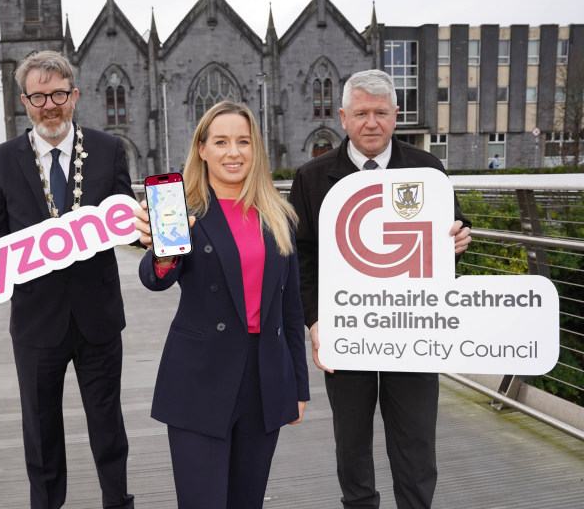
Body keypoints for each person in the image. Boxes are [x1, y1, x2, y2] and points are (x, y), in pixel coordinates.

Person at [0, 51, 135, 509]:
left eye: (59, 94)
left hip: (98, 317)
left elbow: (127, 222)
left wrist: (163, 234)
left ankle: (117, 503)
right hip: (35, 321)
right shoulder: (2, 160)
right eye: (39, 96)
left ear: (74, 96)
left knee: (108, 426)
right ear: (24, 101)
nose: (50, 105)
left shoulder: (109, 150)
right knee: (41, 431)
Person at [289, 69, 472, 509]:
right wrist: (314, 320)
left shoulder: (428, 168)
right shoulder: (312, 178)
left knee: (415, 439)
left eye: (381, 113)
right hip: (346, 328)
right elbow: (301, 258)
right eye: (361, 113)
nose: (371, 123)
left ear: (395, 116)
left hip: (411, 328)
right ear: (343, 118)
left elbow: (452, 235)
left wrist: (459, 241)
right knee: (351, 440)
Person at [133, 101, 310, 509]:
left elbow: (290, 310)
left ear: (256, 149)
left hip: (264, 379)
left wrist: (297, 385)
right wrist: (163, 253)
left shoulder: (278, 216)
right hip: (200, 378)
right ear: (202, 149)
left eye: (244, 141)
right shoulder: (185, 211)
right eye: (222, 141)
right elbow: (155, 279)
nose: (234, 152)